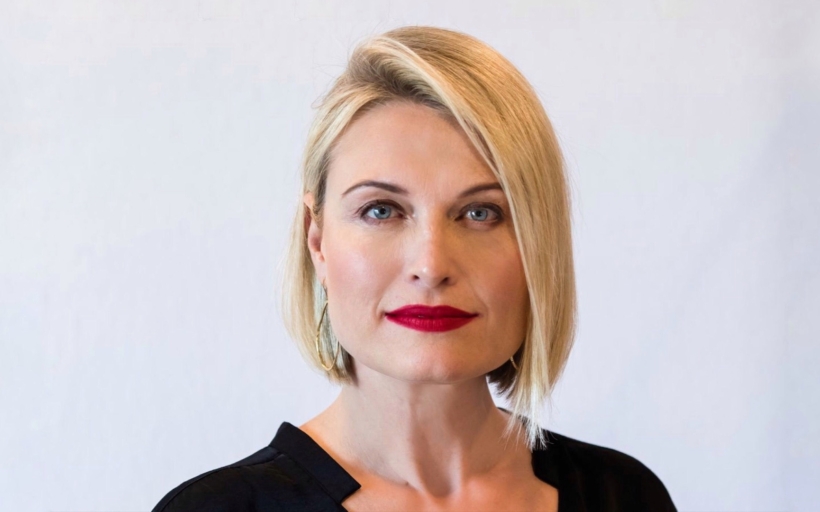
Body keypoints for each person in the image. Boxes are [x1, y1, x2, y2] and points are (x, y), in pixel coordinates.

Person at [152, 26, 676, 512]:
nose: (431, 265)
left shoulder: (625, 497)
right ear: (317, 240)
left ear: (541, 246)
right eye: (381, 210)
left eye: (481, 213)